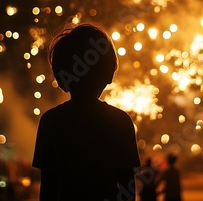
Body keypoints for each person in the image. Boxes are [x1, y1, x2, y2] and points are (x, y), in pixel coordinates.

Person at [32, 22, 141, 201]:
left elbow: (49, 187)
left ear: (61, 78)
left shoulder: (51, 121)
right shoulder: (120, 121)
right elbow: (127, 187)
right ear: (108, 75)